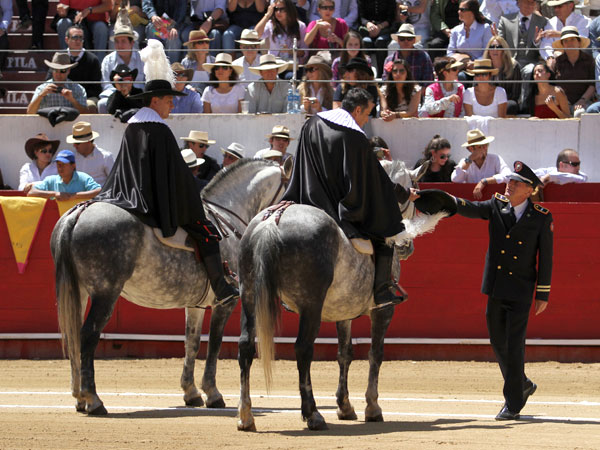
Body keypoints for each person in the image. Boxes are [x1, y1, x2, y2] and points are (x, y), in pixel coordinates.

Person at [97, 39, 239, 306]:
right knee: (206, 230)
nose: (172, 106)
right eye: (168, 101)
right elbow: (176, 176)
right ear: (155, 101)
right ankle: (221, 287)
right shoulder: (159, 130)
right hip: (152, 202)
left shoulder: (134, 126)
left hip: (124, 193)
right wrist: (193, 197)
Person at [282, 87, 420, 310]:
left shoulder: (312, 123)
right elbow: (376, 177)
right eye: (366, 115)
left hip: (306, 199)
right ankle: (382, 289)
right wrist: (404, 194)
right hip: (337, 207)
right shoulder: (354, 135)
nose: (365, 121)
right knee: (385, 222)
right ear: (357, 110)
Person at [452, 160, 553, 421]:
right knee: (498, 341)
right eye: (510, 180)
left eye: (516, 183)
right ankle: (522, 383)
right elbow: (471, 209)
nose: (510, 184)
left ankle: (513, 403)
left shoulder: (541, 216)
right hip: (496, 287)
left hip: (521, 289)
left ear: (529, 190)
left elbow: (547, 257)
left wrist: (542, 294)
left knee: (514, 344)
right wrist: (445, 200)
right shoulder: (497, 205)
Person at [497, 0, 547, 99]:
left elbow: (544, 47)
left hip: (531, 61)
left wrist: (536, 42)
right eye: (527, 2)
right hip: (510, 60)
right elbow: (500, 42)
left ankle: (523, 105)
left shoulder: (542, 22)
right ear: (519, 3)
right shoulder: (505, 20)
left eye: (532, 3)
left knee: (529, 71)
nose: (530, 5)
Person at [99, 12, 145, 113]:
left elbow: (146, 84)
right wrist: (121, 90)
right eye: (117, 41)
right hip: (115, 95)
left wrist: (130, 91)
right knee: (102, 103)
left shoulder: (143, 59)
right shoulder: (107, 60)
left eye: (123, 41)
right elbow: (106, 86)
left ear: (132, 43)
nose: (119, 45)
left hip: (137, 96)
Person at [451, 128, 511, 199]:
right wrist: (469, 160)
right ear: (471, 149)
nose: (484, 149)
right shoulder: (465, 162)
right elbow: (455, 179)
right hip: (472, 201)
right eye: (480, 147)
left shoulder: (495, 159)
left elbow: (508, 175)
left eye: (486, 145)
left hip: (491, 201)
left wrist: (484, 181)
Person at [553, 26, 595, 117]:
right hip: (561, 102)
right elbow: (553, 86)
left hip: (584, 101)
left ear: (579, 42)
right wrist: (563, 102)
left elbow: (592, 84)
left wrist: (582, 100)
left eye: (572, 39)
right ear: (563, 45)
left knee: (580, 113)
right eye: (566, 41)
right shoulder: (557, 62)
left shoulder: (589, 60)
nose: (569, 43)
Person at [28, 149, 102, 200]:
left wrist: (74, 196)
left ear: (73, 165)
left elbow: (99, 191)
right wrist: (55, 194)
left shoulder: (83, 177)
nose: (60, 167)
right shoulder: (51, 180)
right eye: (58, 164)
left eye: (64, 164)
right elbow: (31, 193)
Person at [61, 25, 102, 111]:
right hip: (63, 95)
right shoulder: (59, 57)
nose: (78, 41)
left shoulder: (92, 59)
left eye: (81, 38)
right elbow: (50, 79)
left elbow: (96, 88)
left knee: (90, 105)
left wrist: (77, 96)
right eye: (75, 38)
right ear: (66, 40)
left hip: (86, 97)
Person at [255, 0, 307, 65]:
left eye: (282, 9)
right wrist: (267, 15)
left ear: (289, 10)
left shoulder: (301, 26)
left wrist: (290, 51)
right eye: (276, 9)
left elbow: (304, 52)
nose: (278, 12)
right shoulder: (271, 24)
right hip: (274, 65)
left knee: (289, 75)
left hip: (291, 65)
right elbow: (256, 35)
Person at [482, 36, 522, 115]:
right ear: (488, 51)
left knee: (511, 105)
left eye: (499, 47)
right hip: (486, 101)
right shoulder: (483, 66)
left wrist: (499, 102)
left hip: (506, 101)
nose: (495, 49)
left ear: (504, 50)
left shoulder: (514, 66)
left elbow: (515, 94)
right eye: (492, 47)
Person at [66, 121, 114, 186]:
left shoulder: (105, 157)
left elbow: (114, 181)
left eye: (77, 143)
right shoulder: (72, 157)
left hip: (99, 195)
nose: (74, 145)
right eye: (74, 143)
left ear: (88, 141)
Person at [357, 0, 397, 76]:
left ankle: (381, 75)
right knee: (366, 42)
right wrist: (368, 24)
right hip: (367, 29)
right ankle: (366, 75)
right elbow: (361, 17)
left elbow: (391, 18)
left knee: (381, 41)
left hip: (384, 29)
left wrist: (380, 27)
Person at [447, 0, 493, 65]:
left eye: (462, 10)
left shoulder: (485, 28)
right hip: (460, 67)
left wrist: (475, 63)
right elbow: (450, 52)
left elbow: (487, 52)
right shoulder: (455, 30)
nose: (459, 12)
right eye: (459, 9)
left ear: (472, 12)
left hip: (480, 67)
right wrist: (460, 60)